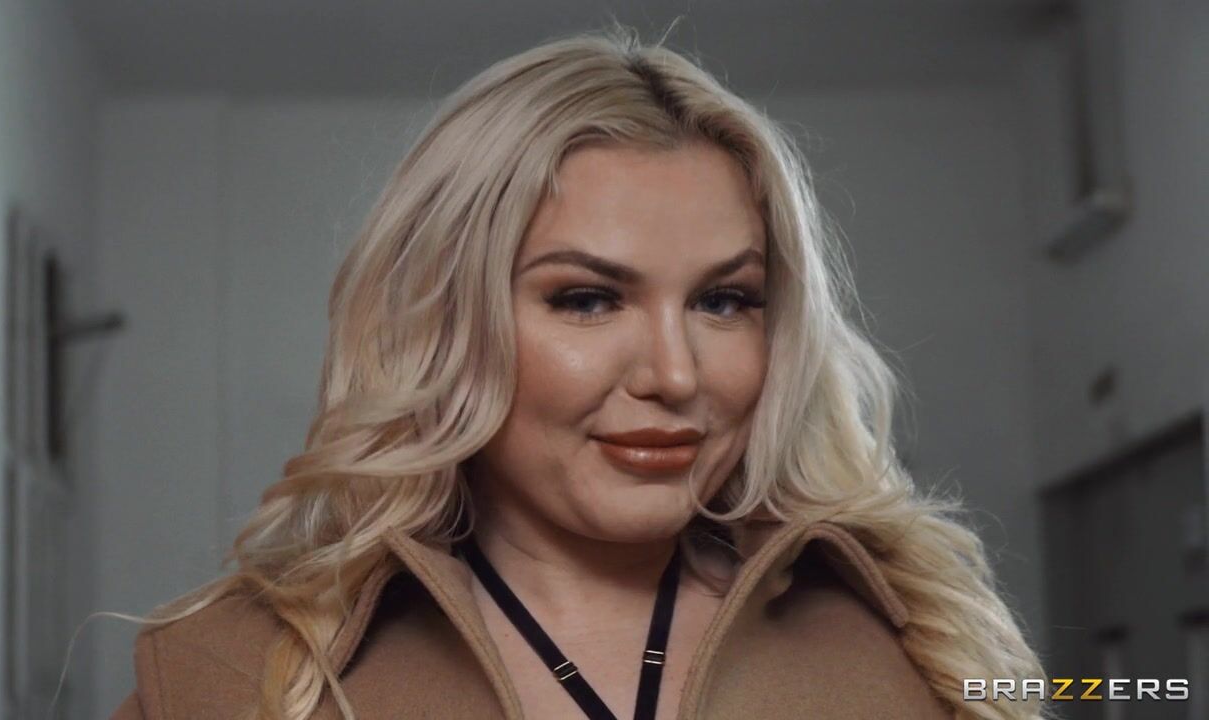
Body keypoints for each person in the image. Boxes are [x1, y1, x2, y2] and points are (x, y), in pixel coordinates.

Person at [109, 28, 1046, 720]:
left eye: (724, 301)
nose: (674, 374)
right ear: (447, 322)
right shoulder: (227, 674)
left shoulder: (922, 653)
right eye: (588, 300)